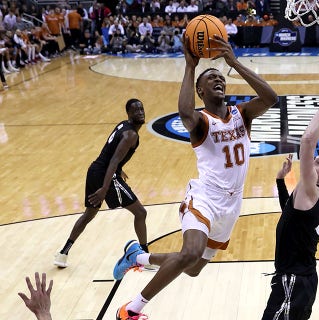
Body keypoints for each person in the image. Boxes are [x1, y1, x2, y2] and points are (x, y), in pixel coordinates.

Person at [113, 34, 278, 320]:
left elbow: (271, 98)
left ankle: (137, 257)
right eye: (210, 79)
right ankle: (131, 310)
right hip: (204, 198)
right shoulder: (200, 121)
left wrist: (233, 62)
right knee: (189, 253)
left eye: (220, 78)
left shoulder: (243, 114)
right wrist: (190, 67)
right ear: (200, 91)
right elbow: (184, 112)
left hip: (232, 205)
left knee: (191, 267)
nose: (218, 80)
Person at [261, 87, 319, 320]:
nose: (312, 161)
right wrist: (280, 181)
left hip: (294, 280)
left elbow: (307, 140)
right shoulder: (316, 197)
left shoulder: (311, 191)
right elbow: (289, 213)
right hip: (297, 279)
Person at [53, 99, 148, 268]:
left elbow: (111, 153)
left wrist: (119, 168)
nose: (140, 112)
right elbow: (114, 160)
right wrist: (105, 188)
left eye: (141, 109)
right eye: (136, 110)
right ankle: (144, 256)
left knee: (89, 214)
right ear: (129, 114)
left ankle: (63, 253)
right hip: (106, 177)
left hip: (95, 170)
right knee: (140, 213)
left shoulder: (123, 125)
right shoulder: (131, 135)